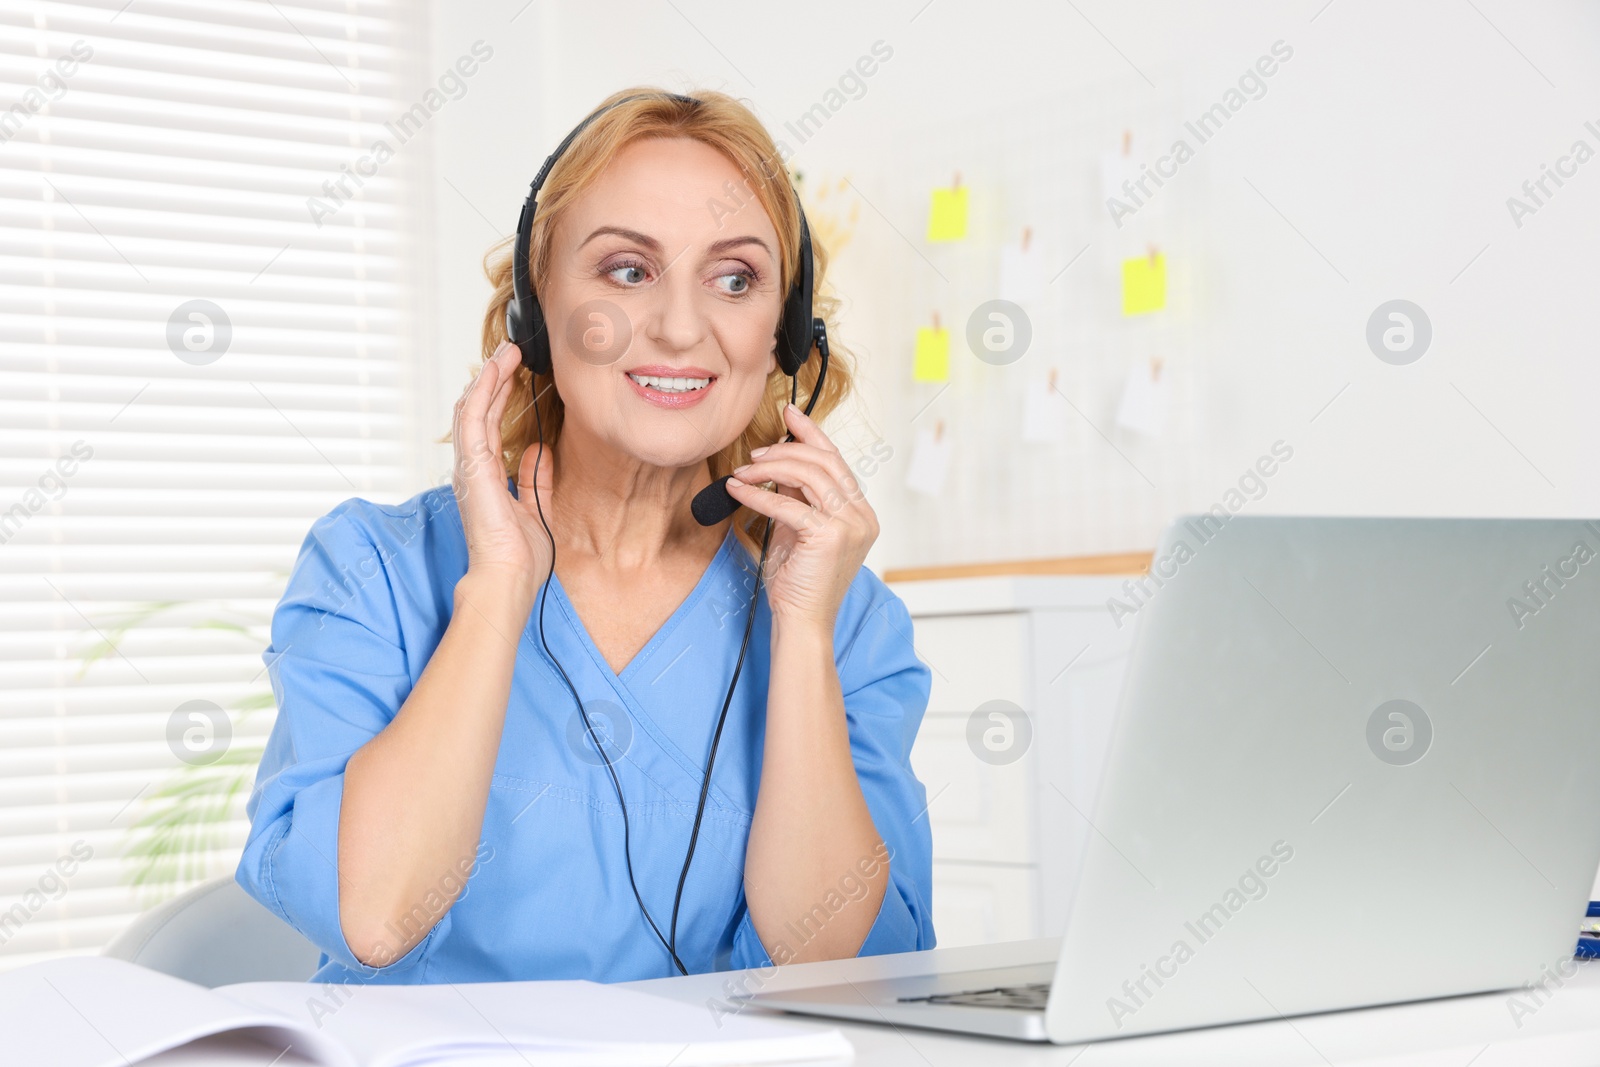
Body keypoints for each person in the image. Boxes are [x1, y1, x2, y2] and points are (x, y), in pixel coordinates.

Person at [236, 88, 935, 985]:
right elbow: (374, 915)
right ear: (537, 307)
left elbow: (832, 969)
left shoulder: (846, 616)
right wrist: (497, 588)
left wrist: (799, 633)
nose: (683, 328)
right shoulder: (372, 568)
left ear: (785, 333)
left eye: (735, 280)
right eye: (627, 271)